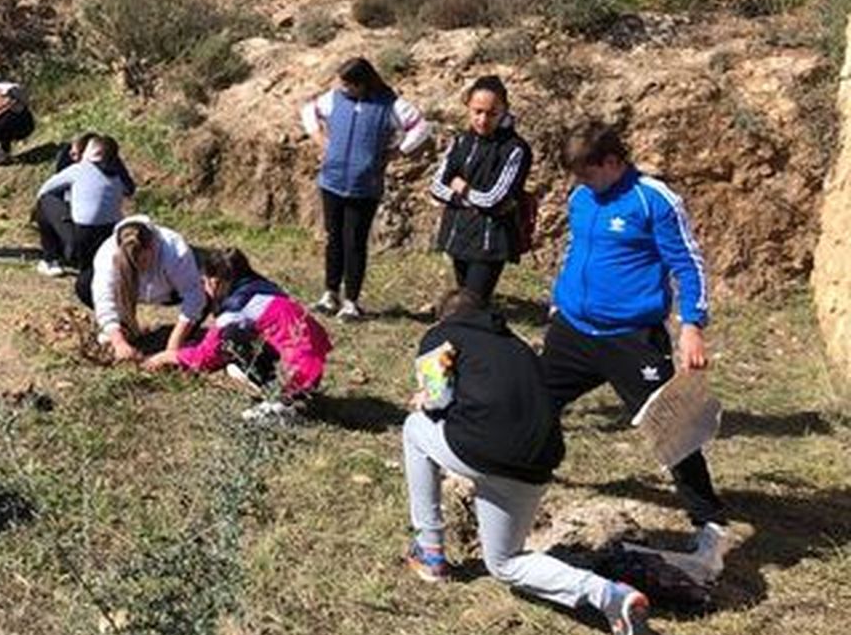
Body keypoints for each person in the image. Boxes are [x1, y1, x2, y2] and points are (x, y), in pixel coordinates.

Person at [402, 288, 655, 635]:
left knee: (413, 429)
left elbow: (438, 397)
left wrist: (424, 401)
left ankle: (430, 550)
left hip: (481, 447)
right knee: (505, 563)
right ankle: (612, 597)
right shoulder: (518, 346)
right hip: (537, 461)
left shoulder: (442, 335)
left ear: (442, 317)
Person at [540, 123, 731, 576]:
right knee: (535, 401)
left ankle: (710, 525)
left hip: (631, 337)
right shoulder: (581, 197)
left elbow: (688, 263)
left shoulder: (654, 200)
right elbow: (577, 251)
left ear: (611, 161)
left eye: (587, 174)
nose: (581, 186)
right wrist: (559, 301)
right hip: (573, 330)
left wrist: (692, 327)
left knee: (672, 428)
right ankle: (520, 477)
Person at [300, 56, 430, 320]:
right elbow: (308, 110)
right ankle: (330, 294)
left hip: (365, 187)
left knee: (355, 242)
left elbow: (421, 127)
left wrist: (397, 153)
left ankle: (352, 302)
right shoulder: (335, 99)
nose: (343, 88)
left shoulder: (390, 105)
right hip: (332, 181)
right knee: (333, 238)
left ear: (363, 83)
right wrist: (320, 140)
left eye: (348, 84)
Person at [144, 247, 332, 424]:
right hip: (312, 362)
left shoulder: (235, 309)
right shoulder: (263, 288)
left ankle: (282, 401)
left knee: (231, 336)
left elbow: (206, 356)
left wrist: (168, 356)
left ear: (214, 281)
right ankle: (291, 397)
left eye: (204, 281)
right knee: (236, 351)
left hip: (296, 373)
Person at [428, 75, 532, 305]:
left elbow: (495, 199)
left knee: (474, 303)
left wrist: (461, 188)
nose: (483, 119)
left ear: (504, 110)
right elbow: (436, 186)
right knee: (463, 300)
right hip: (459, 233)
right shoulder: (461, 142)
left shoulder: (515, 149)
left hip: (490, 239)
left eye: (491, 113)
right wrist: (467, 198)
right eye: (477, 111)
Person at [78, 216, 206, 365]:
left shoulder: (175, 250)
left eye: (144, 260)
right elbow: (104, 298)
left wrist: (173, 345)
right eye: (132, 263)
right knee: (84, 284)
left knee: (205, 287)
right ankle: (125, 328)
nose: (140, 268)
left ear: (152, 245)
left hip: (171, 290)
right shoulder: (107, 253)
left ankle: (188, 334)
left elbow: (194, 295)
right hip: (131, 291)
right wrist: (118, 341)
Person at [33, 135, 132, 279]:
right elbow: (127, 190)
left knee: (45, 201)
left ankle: (50, 260)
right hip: (108, 246)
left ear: (95, 154)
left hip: (80, 248)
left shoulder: (79, 169)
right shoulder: (117, 176)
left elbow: (44, 190)